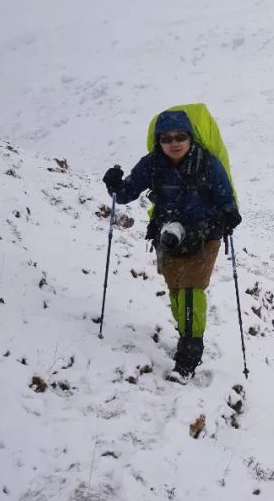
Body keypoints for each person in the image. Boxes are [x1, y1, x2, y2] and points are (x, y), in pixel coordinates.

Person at [102, 109, 241, 377]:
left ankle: (188, 358)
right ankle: (185, 333)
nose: (174, 143)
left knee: (191, 290)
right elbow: (125, 193)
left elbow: (227, 200)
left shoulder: (207, 163)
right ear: (158, 141)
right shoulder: (152, 163)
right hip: (168, 236)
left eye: (180, 136)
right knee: (176, 290)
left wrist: (227, 217)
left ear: (190, 137)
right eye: (166, 138)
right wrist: (114, 185)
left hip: (203, 236)